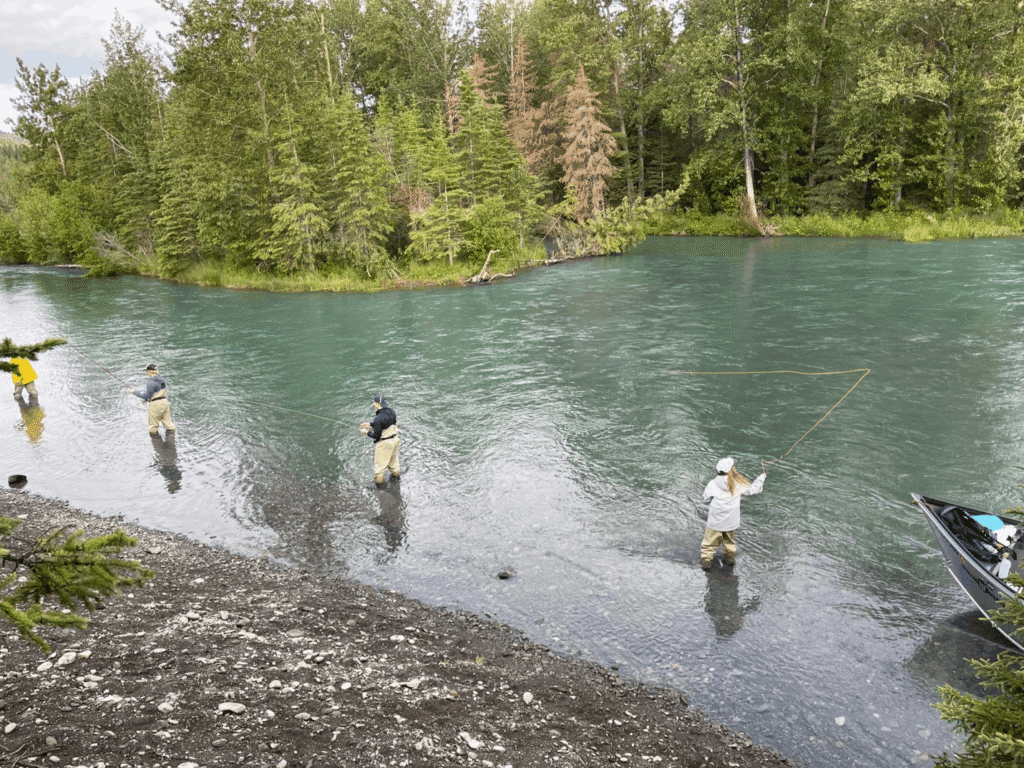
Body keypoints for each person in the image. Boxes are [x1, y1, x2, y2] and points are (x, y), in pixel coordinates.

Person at [700, 456, 766, 570]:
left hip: (715, 524)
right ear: (732, 470)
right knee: (729, 545)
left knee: (708, 547)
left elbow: (705, 499)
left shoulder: (712, 484)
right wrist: (761, 477)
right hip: (731, 524)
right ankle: (729, 563)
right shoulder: (737, 484)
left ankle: (707, 567)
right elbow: (753, 490)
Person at [360, 393, 399, 486]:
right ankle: (397, 482)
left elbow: (376, 436)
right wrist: (370, 424)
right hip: (395, 440)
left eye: (374, 403)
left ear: (378, 404)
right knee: (394, 465)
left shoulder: (378, 418)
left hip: (384, 444)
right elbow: (386, 424)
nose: (373, 405)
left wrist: (366, 432)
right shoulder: (392, 411)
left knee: (379, 470)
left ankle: (381, 490)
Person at [130, 364, 176, 435]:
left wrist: (134, 392)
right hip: (165, 402)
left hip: (155, 405)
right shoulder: (163, 379)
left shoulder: (150, 382)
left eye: (147, 372)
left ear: (150, 372)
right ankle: (171, 443)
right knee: (169, 425)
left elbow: (146, 395)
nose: (146, 373)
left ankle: (157, 444)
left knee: (153, 428)